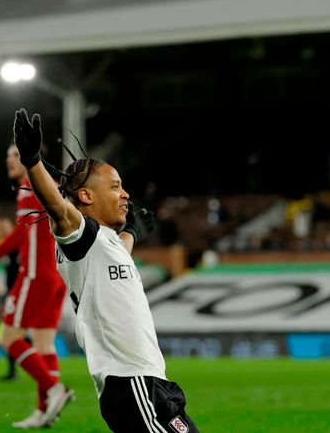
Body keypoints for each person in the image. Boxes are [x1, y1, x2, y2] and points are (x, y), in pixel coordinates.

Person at [13, 108, 199, 433]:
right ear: (85, 196)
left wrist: (134, 233)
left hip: (147, 384)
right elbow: (58, 208)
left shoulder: (104, 246)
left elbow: (119, 252)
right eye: (114, 187)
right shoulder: (79, 235)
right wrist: (33, 163)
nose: (125, 194)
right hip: (132, 382)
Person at [0, 144, 71, 429]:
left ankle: (54, 389)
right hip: (57, 274)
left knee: (6, 336)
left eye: (15, 155)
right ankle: (44, 411)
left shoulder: (30, 185)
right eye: (7, 155)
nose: (9, 160)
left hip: (34, 273)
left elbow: (21, 234)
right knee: (44, 343)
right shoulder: (52, 185)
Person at [0, 216, 21, 381]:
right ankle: (13, 371)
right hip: (12, 293)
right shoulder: (7, 247)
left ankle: (17, 370)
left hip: (20, 293)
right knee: (11, 333)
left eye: (0, 229)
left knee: (10, 334)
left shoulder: (17, 245)